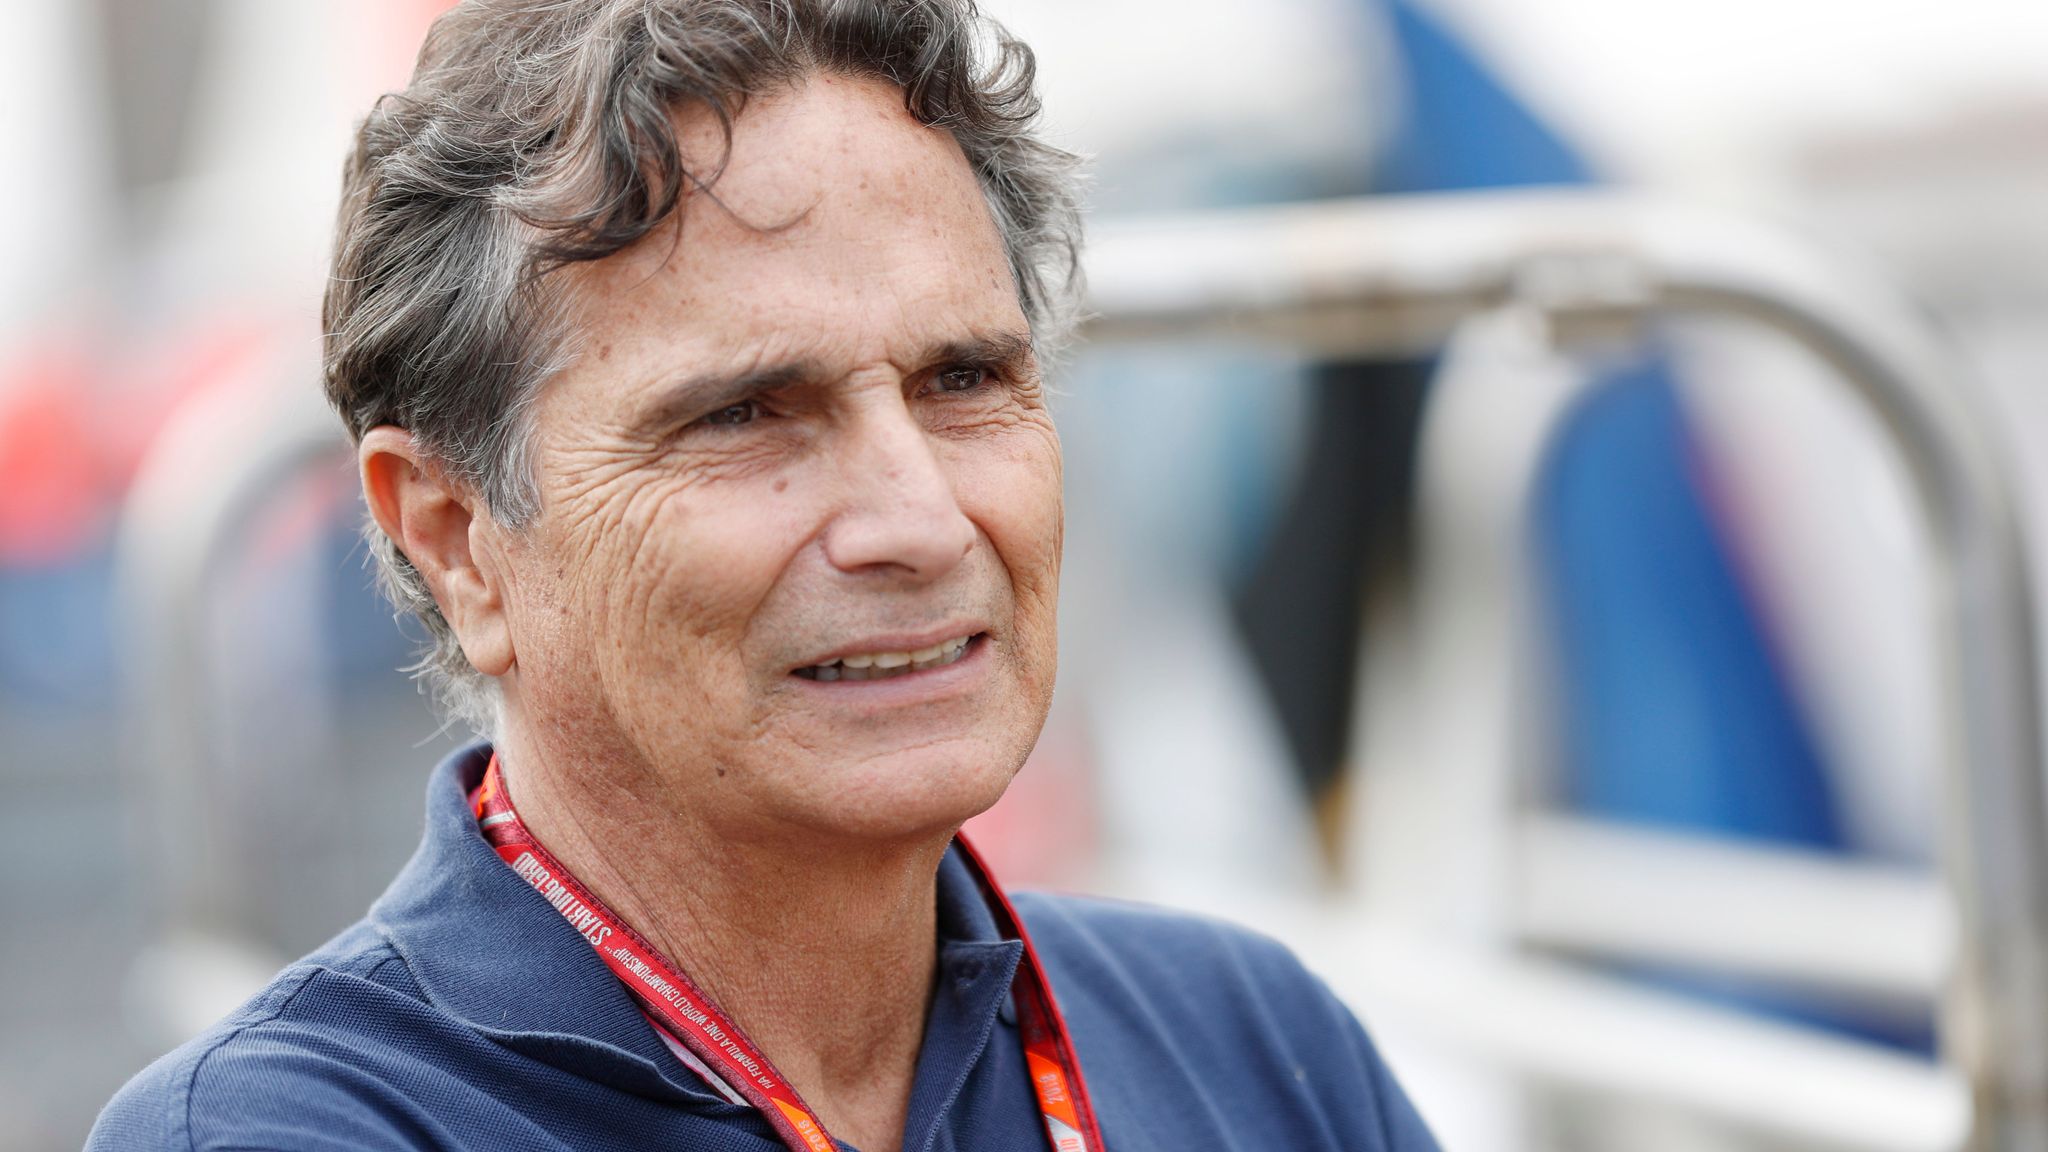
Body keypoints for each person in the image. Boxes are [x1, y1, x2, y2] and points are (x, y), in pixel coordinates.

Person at [89, 1, 1440, 1149]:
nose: (920, 521)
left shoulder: (1251, 1048)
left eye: (965, 380)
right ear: (455, 539)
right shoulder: (294, 1131)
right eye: (745, 414)